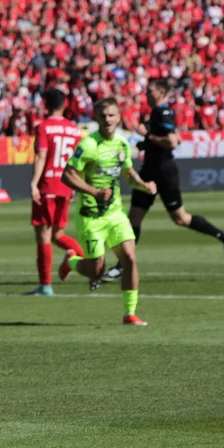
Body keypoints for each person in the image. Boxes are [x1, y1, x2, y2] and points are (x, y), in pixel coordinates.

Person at [104, 79, 224, 280]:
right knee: (134, 218)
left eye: (150, 91)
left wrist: (148, 136)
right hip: (148, 171)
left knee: (180, 218)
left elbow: (171, 142)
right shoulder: (156, 113)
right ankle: (123, 265)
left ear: (160, 92)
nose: (146, 94)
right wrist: (138, 147)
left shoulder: (164, 112)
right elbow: (159, 140)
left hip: (164, 172)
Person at [59, 98, 158, 326]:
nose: (107, 120)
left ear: (119, 117)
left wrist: (143, 185)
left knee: (130, 258)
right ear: (96, 118)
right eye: (103, 116)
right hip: (91, 217)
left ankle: (129, 314)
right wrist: (93, 191)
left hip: (115, 214)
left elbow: (127, 173)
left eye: (112, 115)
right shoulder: (89, 145)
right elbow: (67, 175)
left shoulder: (122, 144)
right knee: (96, 271)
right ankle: (72, 261)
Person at [27, 89, 85, 296]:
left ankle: (45, 285)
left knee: (43, 235)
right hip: (66, 185)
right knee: (57, 234)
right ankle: (76, 256)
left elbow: (41, 156)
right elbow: (77, 162)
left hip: (48, 184)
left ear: (45, 104)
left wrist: (34, 183)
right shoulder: (73, 129)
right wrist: (75, 185)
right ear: (65, 104)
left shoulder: (43, 127)